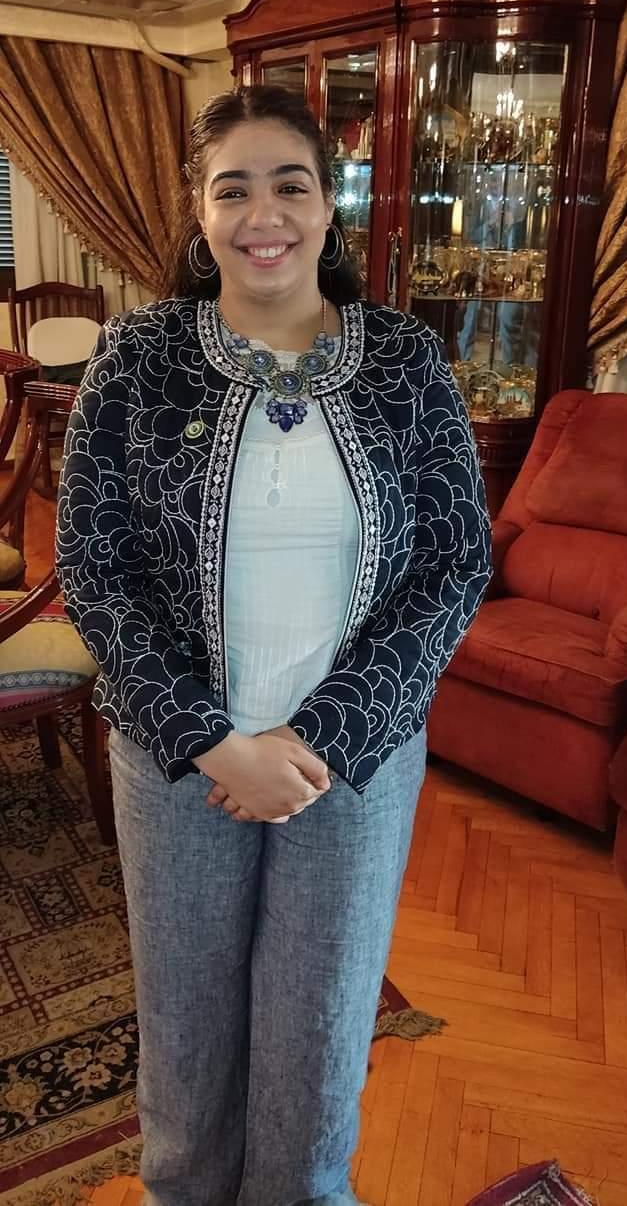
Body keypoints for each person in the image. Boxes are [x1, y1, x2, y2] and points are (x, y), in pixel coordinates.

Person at [56, 86, 492, 1206]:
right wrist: (211, 739)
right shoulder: (138, 356)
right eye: (233, 188)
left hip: (352, 765)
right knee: (188, 1026)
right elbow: (95, 567)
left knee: (322, 1026)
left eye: (290, 184)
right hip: (178, 762)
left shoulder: (405, 359)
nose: (264, 215)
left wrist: (323, 739)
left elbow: (453, 564)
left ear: (328, 204)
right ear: (198, 211)